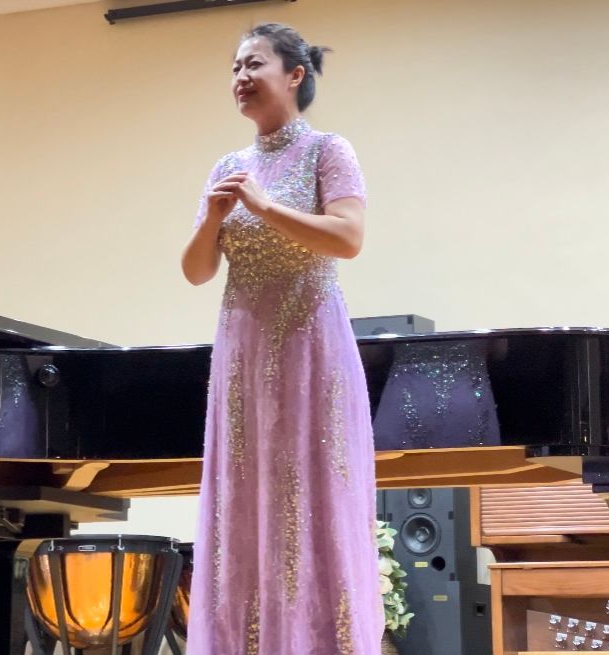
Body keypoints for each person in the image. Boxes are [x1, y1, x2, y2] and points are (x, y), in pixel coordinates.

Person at [180, 23, 383, 654]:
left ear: (295, 75)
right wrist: (214, 218)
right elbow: (196, 271)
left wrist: (265, 208)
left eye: (254, 64)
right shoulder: (228, 166)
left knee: (314, 490)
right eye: (235, 68)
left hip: (310, 347)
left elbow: (348, 238)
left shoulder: (328, 150)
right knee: (244, 498)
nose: (240, 77)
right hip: (241, 353)